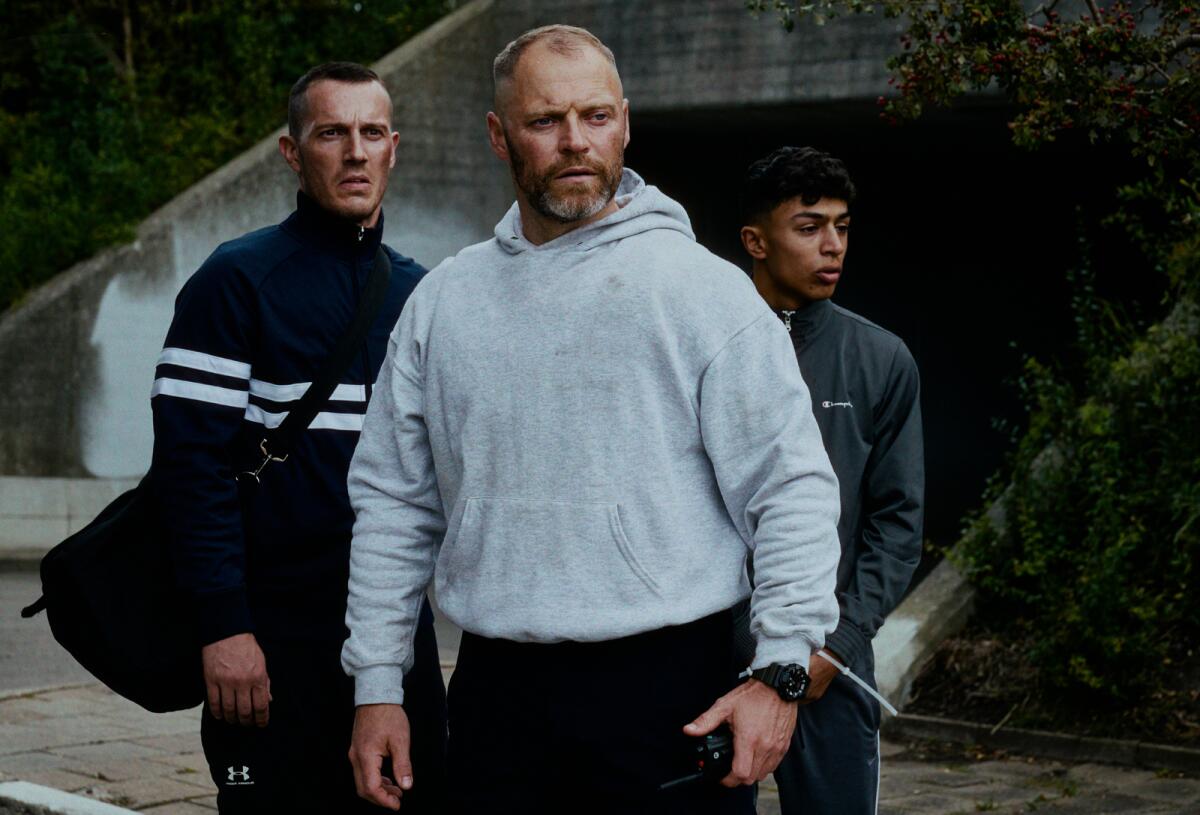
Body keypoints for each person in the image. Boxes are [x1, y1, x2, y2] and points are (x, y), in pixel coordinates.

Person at [341, 25, 841, 815]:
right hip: (493, 692)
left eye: (597, 116)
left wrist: (779, 671)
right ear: (498, 135)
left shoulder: (704, 293)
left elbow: (791, 490)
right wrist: (376, 685)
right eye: (546, 122)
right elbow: (395, 503)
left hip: (669, 693)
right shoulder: (444, 300)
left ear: (627, 122)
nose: (577, 142)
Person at [149, 62, 447, 813]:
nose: (355, 151)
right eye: (331, 133)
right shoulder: (237, 280)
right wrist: (224, 626)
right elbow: (192, 468)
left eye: (371, 132)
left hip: (395, 641)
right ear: (293, 152)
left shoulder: (425, 294)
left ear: (393, 147)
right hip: (270, 641)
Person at [737, 145, 925, 814]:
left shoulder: (881, 359)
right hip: (710, 660)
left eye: (842, 226)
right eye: (810, 225)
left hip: (829, 665)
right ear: (756, 241)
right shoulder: (705, 347)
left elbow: (897, 524)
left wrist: (838, 646)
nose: (833, 245)